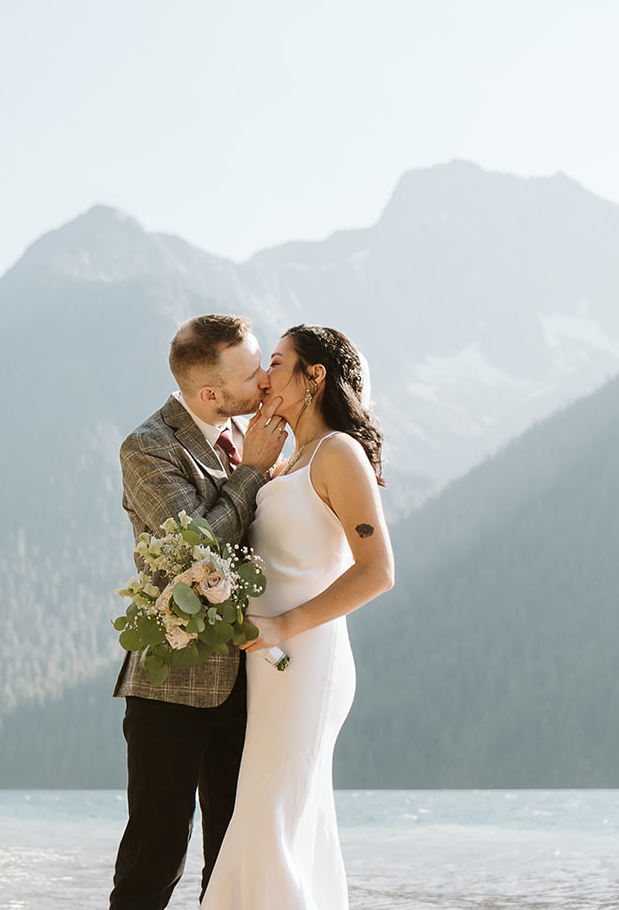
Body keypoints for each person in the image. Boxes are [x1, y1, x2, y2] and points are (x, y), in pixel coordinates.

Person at [201, 323, 396, 910]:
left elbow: (377, 571)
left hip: (305, 658)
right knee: (282, 820)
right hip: (266, 663)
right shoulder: (287, 464)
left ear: (315, 377)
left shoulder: (338, 452)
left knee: (269, 818)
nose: (265, 378)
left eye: (278, 364)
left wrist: (283, 626)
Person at [110, 314, 289, 910]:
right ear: (210, 393)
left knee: (235, 856)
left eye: (263, 361)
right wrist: (253, 472)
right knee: (156, 856)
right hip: (171, 686)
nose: (264, 379)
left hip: (254, 681)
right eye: (251, 371)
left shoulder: (247, 432)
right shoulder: (147, 447)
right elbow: (195, 555)